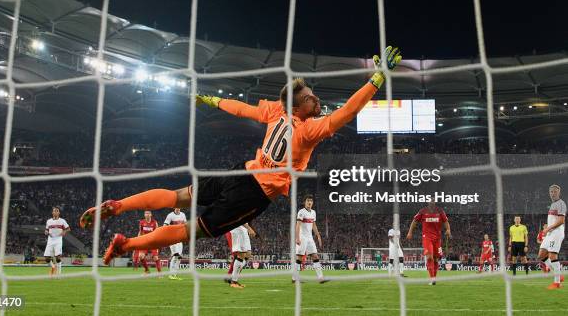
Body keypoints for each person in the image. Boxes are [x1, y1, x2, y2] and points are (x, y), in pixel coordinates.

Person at [78, 48, 403, 265]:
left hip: (240, 170)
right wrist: (376, 79)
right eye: (307, 97)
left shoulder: (276, 110)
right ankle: (126, 244)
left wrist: (211, 100)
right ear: (296, 107)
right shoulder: (309, 130)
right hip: (254, 192)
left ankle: (119, 204)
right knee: (191, 230)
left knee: (179, 195)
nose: (313, 98)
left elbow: (242, 109)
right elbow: (348, 111)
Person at [406, 202, 451, 285]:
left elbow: (446, 221)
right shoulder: (423, 211)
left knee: (436, 259)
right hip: (427, 237)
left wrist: (448, 230)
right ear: (428, 203)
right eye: (430, 201)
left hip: (437, 238)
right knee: (429, 257)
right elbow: (414, 221)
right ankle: (432, 279)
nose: (431, 202)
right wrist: (410, 232)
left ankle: (434, 278)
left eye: (433, 201)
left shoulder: (440, 211)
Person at [537, 184, 565, 290]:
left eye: (555, 191)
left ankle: (557, 283)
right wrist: (548, 230)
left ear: (559, 192)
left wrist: (548, 228)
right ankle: (559, 274)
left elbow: (561, 221)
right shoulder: (553, 204)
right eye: (551, 192)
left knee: (553, 256)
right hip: (549, 234)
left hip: (557, 233)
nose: (553, 193)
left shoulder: (561, 204)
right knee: (541, 255)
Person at [293, 195, 326, 283]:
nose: (309, 202)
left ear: (313, 202)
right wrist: (297, 238)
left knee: (315, 256)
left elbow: (314, 225)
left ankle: (320, 277)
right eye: (308, 200)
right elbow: (297, 225)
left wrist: (318, 236)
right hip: (302, 237)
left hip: (310, 238)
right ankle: (294, 278)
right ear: (305, 202)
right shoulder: (301, 212)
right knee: (299, 258)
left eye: (311, 201)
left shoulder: (313, 212)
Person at [225, 223, 257, 288]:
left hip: (244, 229)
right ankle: (233, 281)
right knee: (241, 254)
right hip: (237, 228)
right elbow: (240, 218)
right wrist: (250, 229)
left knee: (248, 254)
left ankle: (234, 280)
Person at [44, 207, 70, 276]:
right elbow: (46, 230)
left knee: (58, 257)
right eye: (54, 211)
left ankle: (59, 274)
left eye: (57, 211)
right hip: (50, 240)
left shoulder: (62, 221)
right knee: (46, 258)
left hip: (58, 240)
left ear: (59, 213)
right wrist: (46, 232)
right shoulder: (48, 221)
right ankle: (53, 266)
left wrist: (64, 231)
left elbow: (68, 229)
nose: (55, 212)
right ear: (52, 213)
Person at [163, 208, 187, 279]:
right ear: (174, 207)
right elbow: (165, 226)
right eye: (176, 206)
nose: (177, 208)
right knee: (175, 255)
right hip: (172, 238)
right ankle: (170, 274)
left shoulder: (183, 215)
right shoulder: (170, 215)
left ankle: (175, 274)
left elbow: (185, 225)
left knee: (179, 257)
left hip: (180, 239)